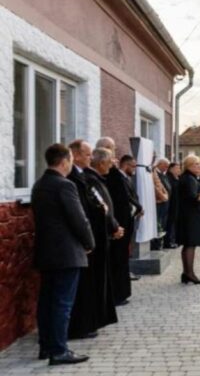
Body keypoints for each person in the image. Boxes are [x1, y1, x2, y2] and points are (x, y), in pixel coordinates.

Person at [33, 143, 95, 365]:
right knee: (62, 303)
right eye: (70, 159)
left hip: (46, 252)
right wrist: (89, 243)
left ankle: (46, 346)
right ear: (64, 161)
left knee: (47, 301)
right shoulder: (65, 185)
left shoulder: (39, 185)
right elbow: (78, 219)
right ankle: (59, 350)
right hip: (66, 253)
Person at [66, 143, 122, 341]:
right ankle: (82, 324)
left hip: (97, 235)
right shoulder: (79, 179)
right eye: (88, 154)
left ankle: (91, 320)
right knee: (87, 284)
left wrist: (112, 223)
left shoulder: (85, 177)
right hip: (90, 238)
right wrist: (111, 225)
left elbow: (102, 205)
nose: (91, 158)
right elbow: (91, 208)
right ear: (76, 155)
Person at [106, 154, 143, 305]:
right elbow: (123, 200)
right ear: (126, 165)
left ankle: (122, 292)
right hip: (120, 224)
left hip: (127, 222)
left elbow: (132, 197)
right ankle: (117, 294)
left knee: (123, 257)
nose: (134, 170)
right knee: (118, 258)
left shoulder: (125, 178)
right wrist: (138, 207)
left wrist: (138, 208)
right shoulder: (116, 178)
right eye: (133, 166)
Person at [178, 155, 200, 284]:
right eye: (196, 164)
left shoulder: (188, 178)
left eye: (199, 164)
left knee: (188, 245)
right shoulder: (189, 179)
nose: (199, 166)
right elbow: (192, 197)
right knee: (190, 245)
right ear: (189, 166)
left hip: (187, 215)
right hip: (190, 217)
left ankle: (186, 273)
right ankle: (190, 274)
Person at [155, 159, 176, 249]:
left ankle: (161, 242)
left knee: (163, 223)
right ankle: (157, 243)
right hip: (160, 202)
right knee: (159, 223)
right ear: (160, 164)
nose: (167, 168)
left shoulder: (163, 175)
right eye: (165, 165)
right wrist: (164, 196)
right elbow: (157, 187)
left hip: (166, 202)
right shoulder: (156, 174)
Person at [166, 163, 181, 248]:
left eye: (179, 168)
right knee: (171, 223)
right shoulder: (169, 178)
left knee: (175, 223)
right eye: (177, 168)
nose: (179, 170)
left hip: (177, 203)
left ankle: (174, 239)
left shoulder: (178, 178)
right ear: (171, 169)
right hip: (172, 204)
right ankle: (169, 241)